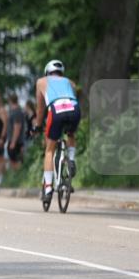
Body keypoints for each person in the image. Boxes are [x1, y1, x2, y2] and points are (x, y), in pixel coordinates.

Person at [33, 59, 80, 200]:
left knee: (49, 150)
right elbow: (73, 98)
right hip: (74, 108)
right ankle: (71, 159)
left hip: (56, 109)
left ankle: (48, 188)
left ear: (47, 72)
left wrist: (37, 126)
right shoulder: (71, 82)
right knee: (71, 133)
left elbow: (41, 109)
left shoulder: (41, 82)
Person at [5, 94, 26, 171]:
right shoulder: (13, 111)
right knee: (12, 161)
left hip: (16, 141)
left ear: (10, 101)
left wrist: (13, 142)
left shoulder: (16, 112)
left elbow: (17, 127)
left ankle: (18, 176)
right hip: (13, 140)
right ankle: (16, 176)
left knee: (16, 162)